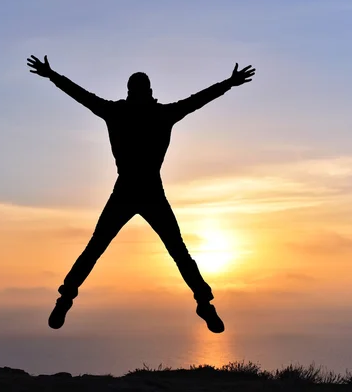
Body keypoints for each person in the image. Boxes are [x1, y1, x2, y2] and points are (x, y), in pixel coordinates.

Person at [27, 54, 255, 333]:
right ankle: (204, 304)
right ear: (149, 91)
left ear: (129, 91)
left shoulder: (117, 112)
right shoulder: (162, 114)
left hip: (126, 191)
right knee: (178, 252)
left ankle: (65, 298)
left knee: (96, 247)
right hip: (149, 192)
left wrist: (52, 76)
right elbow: (198, 100)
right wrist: (229, 84)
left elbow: (81, 95)